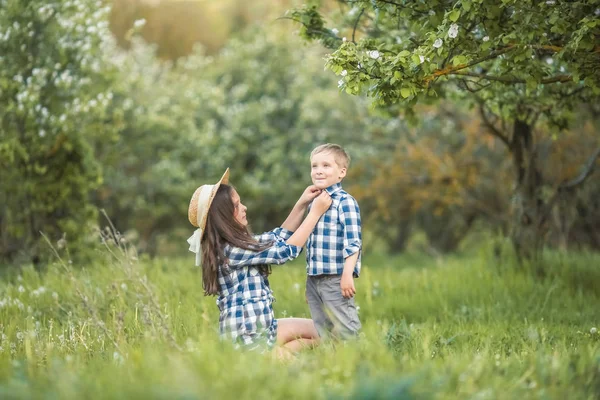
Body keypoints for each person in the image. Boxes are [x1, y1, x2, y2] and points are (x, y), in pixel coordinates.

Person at [187, 168, 332, 356]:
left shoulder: (238, 244)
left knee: (325, 330)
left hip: (265, 329)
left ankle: (280, 356)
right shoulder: (230, 250)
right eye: (237, 205)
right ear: (223, 216)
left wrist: (302, 204)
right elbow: (285, 252)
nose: (244, 208)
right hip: (246, 340)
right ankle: (275, 359)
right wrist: (315, 214)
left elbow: (277, 237)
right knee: (307, 345)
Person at [305, 144, 362, 340]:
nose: (319, 170)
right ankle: (332, 362)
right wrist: (310, 282)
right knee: (323, 327)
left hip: (336, 277)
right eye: (314, 166)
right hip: (315, 277)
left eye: (326, 165)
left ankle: (358, 359)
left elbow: (353, 241)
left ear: (341, 172)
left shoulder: (345, 202)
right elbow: (312, 244)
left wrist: (347, 274)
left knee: (346, 325)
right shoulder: (314, 201)